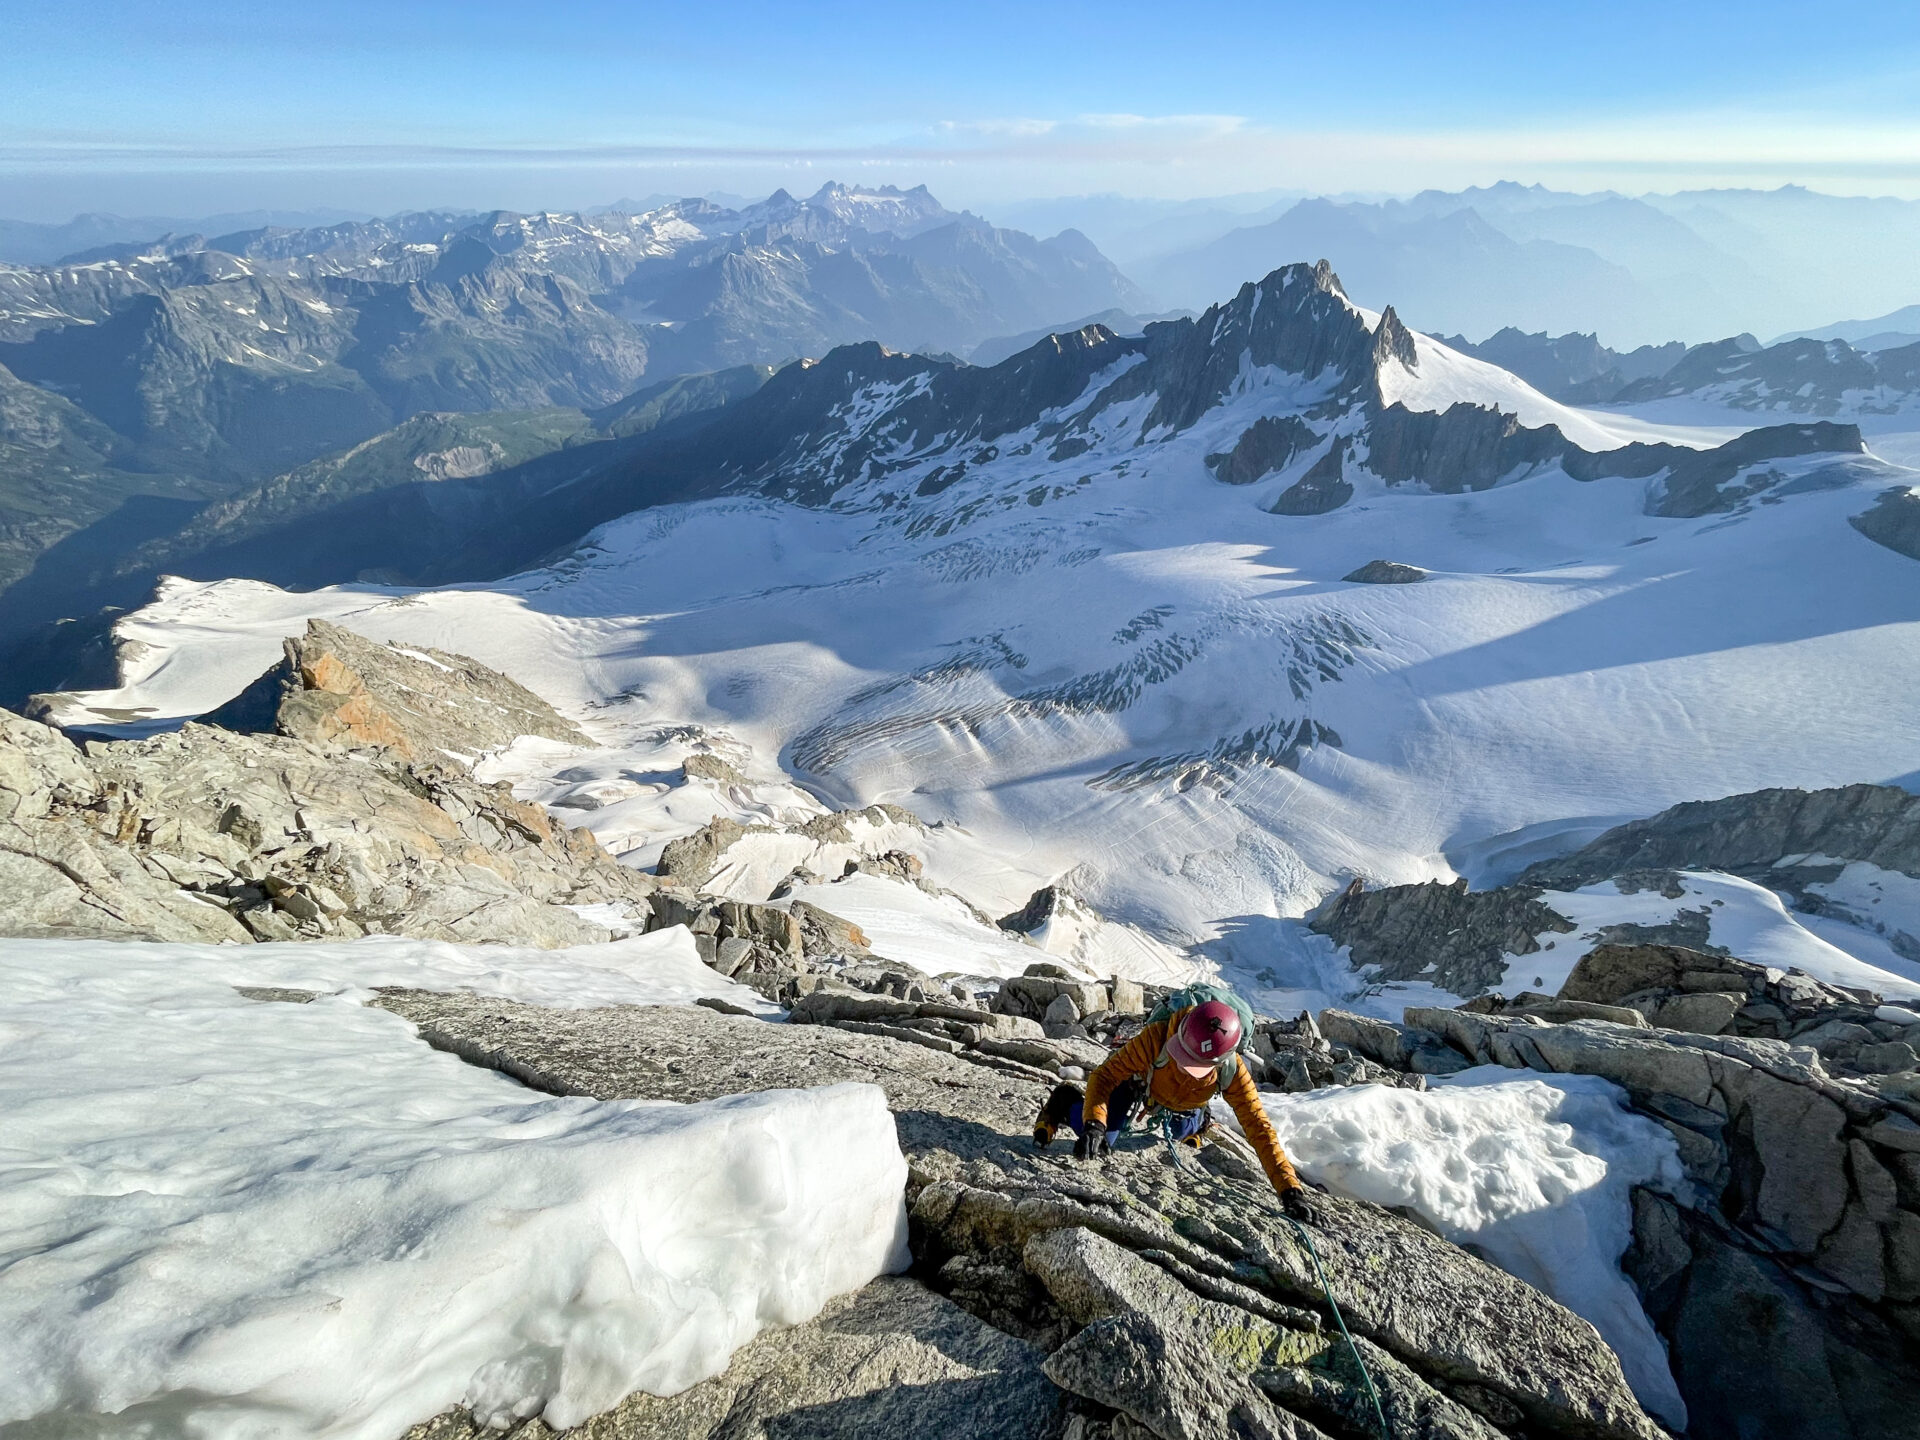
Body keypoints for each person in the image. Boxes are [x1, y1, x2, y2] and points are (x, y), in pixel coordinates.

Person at [1077, 997, 1322, 1223]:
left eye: (1193, 1064)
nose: (1184, 1066)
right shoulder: (1157, 1037)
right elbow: (1104, 1075)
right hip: (1145, 1089)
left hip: (1189, 1106)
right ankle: (1067, 1102)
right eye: (1183, 1056)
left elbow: (1259, 1127)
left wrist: (1291, 1191)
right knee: (1098, 1134)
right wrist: (1095, 1124)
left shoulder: (1232, 1070)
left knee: (1183, 1130)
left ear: (1221, 1061)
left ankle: (1198, 1122)